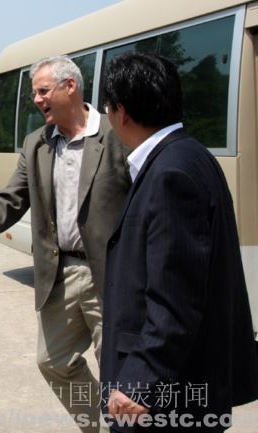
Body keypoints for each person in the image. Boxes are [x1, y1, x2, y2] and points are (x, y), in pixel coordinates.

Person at [0, 55, 131, 432]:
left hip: (110, 273)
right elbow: (10, 200)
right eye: (35, 93)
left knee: (119, 373)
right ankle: (101, 426)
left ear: (71, 86)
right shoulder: (37, 144)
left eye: (43, 91)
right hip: (59, 273)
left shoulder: (115, 134)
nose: (36, 99)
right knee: (52, 361)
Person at [100, 52, 258, 432]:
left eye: (108, 106)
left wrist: (140, 381)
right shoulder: (190, 155)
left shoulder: (170, 173)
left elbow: (175, 298)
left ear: (121, 112)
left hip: (167, 397)